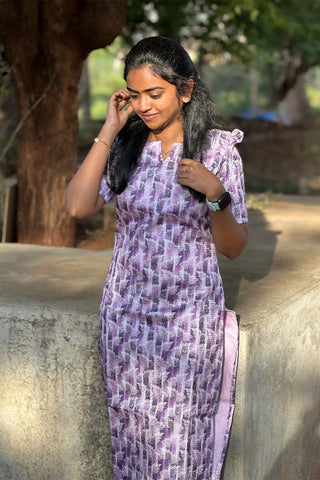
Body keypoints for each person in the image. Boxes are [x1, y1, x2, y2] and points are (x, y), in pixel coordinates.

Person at [66, 36, 248, 480]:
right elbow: (77, 206)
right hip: (127, 318)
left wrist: (215, 194)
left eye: (155, 93)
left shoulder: (217, 151)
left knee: (182, 440)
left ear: (185, 90)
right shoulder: (127, 149)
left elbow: (233, 246)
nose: (144, 106)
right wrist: (109, 130)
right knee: (132, 436)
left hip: (188, 323)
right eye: (135, 94)